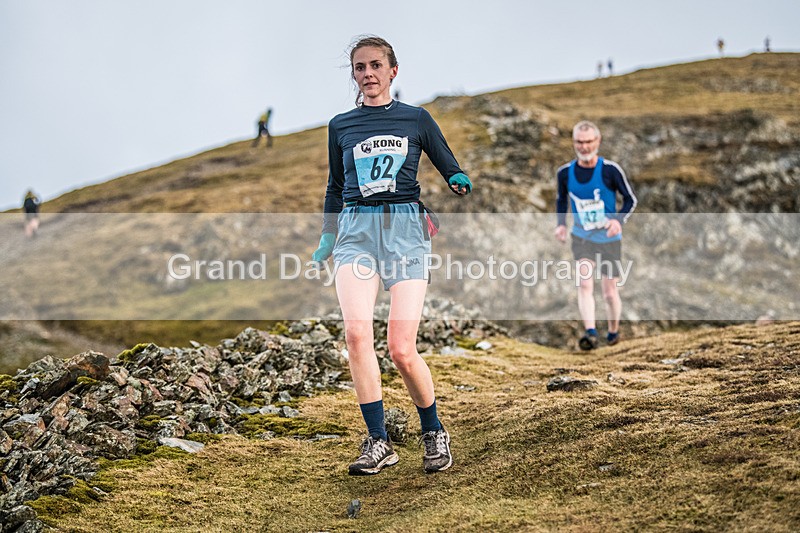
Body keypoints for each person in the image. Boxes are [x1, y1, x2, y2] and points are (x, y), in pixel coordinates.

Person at [312, 36, 472, 475]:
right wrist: (328, 236)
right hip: (356, 232)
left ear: (393, 71)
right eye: (360, 67)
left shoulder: (415, 118)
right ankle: (378, 441)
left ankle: (434, 431)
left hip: (405, 231)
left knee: (401, 348)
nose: (368, 74)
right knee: (356, 336)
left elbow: (446, 161)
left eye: (376, 65)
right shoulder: (340, 125)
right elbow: (334, 185)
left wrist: (457, 176)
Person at [554, 121, 637, 350]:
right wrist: (561, 225)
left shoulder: (610, 170)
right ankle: (590, 333)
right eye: (579, 142)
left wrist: (617, 221)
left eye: (588, 141)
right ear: (573, 143)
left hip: (609, 239)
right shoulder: (564, 173)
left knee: (609, 292)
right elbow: (561, 200)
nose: (584, 146)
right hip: (582, 237)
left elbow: (630, 199)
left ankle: (613, 331)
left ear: (597, 141)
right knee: (584, 283)